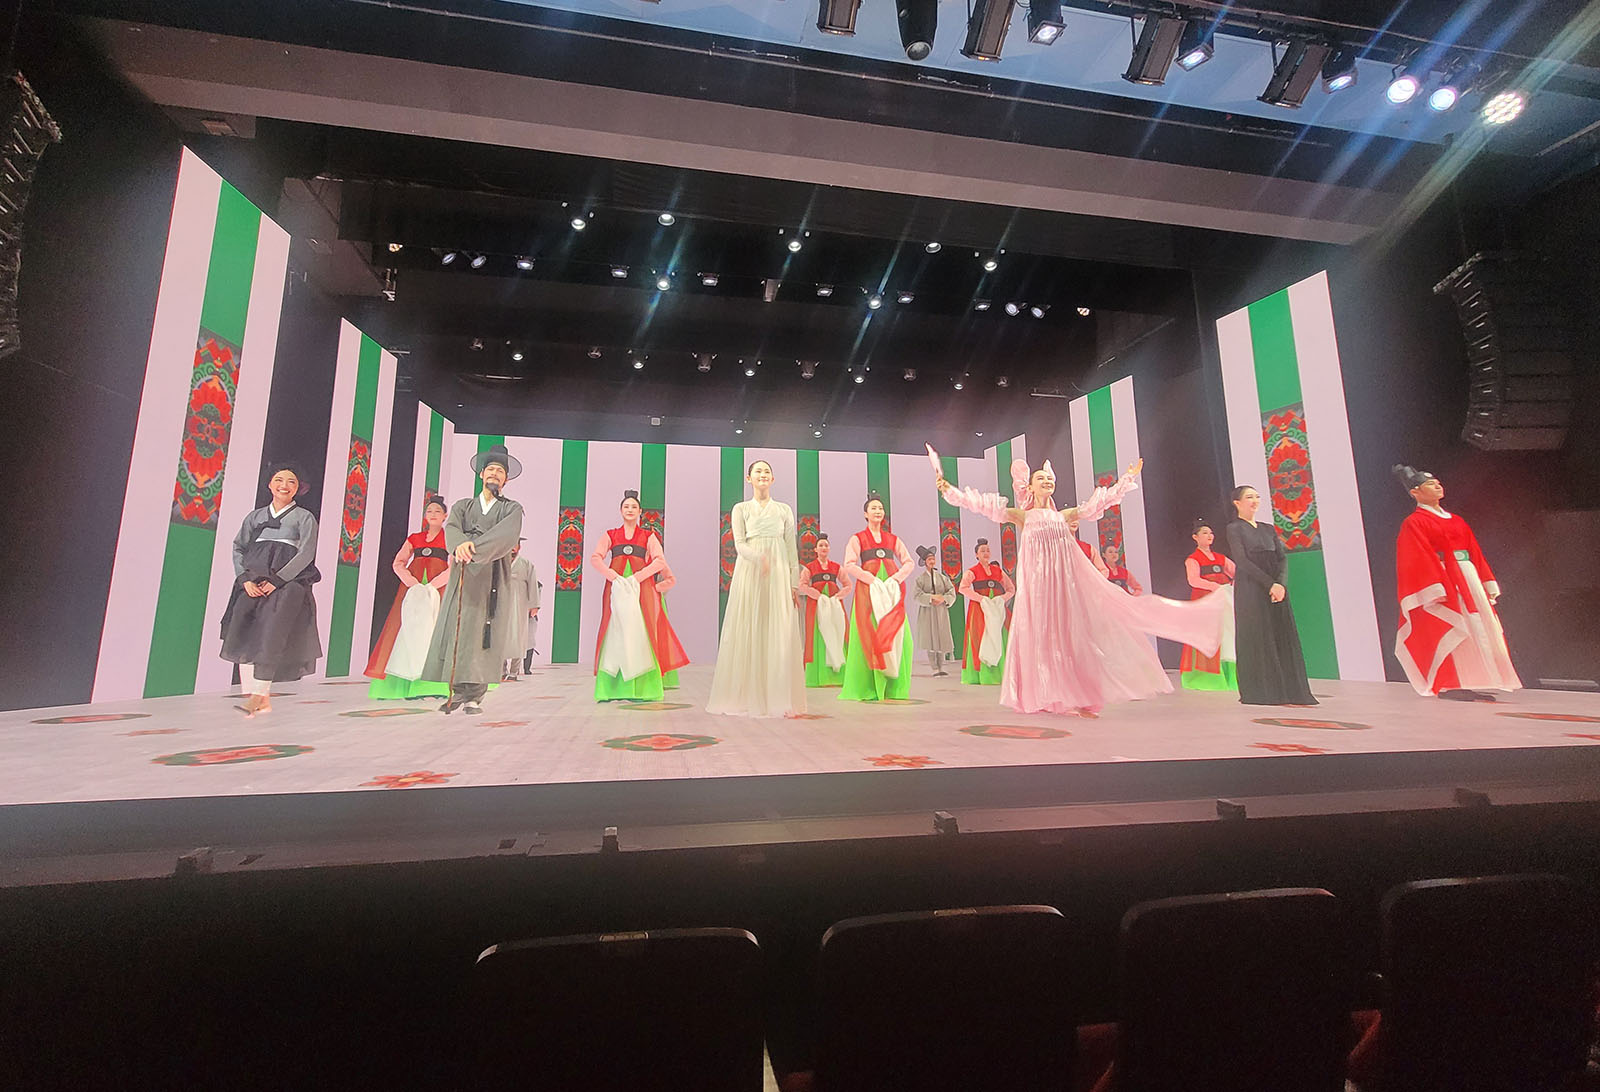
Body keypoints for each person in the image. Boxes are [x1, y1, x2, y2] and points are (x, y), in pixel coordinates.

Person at [936, 454, 1227, 716]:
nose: (1047, 481)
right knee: (1039, 634)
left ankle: (1073, 692)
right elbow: (980, 505)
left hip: (1063, 585)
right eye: (1041, 478)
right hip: (1037, 587)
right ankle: (1043, 693)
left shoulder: (1064, 516)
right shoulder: (1022, 516)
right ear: (1030, 487)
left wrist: (1126, 480)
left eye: (1049, 478)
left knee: (1068, 634)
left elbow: (1097, 504)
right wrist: (950, 490)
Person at [1392, 465, 1521, 700]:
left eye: (1438, 483)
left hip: (1468, 576)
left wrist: (1485, 580)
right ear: (1415, 492)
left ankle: (1473, 678)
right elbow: (1416, 556)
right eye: (1430, 484)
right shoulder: (1415, 522)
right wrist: (1437, 585)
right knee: (1455, 624)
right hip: (1444, 578)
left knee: (1477, 626)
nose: (1437, 486)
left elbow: (1475, 552)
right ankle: (1451, 682)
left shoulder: (1457, 521)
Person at [422, 444, 525, 714]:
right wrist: (459, 545)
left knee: (484, 632)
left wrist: (471, 548)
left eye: (500, 471)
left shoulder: (511, 509)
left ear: (506, 479)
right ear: (481, 474)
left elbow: (506, 537)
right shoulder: (463, 506)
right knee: (459, 628)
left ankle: (475, 696)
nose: (494, 474)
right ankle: (456, 691)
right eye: (490, 469)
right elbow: (452, 529)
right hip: (464, 573)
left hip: (492, 574)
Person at [219, 462, 322, 717]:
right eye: (279, 480)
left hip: (287, 585)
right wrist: (244, 579)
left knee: (271, 634)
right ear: (269, 484)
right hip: (253, 582)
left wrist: (278, 580)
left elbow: (306, 553)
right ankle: (254, 697)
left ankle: (259, 697)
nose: (284, 485)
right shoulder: (255, 517)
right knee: (244, 631)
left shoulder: (304, 518)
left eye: (291, 481)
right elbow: (238, 547)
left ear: (298, 488)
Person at [707, 460, 806, 716]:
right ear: (748, 478)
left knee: (778, 628)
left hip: (778, 571)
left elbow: (790, 548)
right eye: (757, 471)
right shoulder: (741, 509)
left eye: (767, 471)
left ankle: (777, 697)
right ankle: (747, 696)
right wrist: (758, 557)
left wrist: (793, 583)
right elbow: (739, 544)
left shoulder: (784, 510)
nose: (762, 474)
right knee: (749, 624)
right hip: (750, 570)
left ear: (773, 479)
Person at [590, 490, 689, 701]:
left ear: (640, 511)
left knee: (643, 630)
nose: (630, 510)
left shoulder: (648, 536)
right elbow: (596, 558)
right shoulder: (610, 535)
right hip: (616, 587)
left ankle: (645, 688)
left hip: (642, 589)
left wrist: (639, 577)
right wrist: (613, 576)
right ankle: (612, 688)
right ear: (620, 510)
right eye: (626, 506)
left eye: (634, 507)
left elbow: (660, 561)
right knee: (615, 629)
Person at [1224, 486, 1317, 706]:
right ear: (1237, 503)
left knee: (1281, 633)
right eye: (1249, 497)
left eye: (1257, 497)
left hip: (1276, 587)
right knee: (1258, 634)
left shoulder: (1268, 528)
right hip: (1252, 587)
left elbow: (1282, 558)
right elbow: (1242, 561)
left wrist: (1280, 584)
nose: (1254, 500)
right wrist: (1269, 584)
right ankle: (1262, 691)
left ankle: (1290, 690)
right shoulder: (1234, 528)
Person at [364, 494, 452, 700]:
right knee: (403, 630)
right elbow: (398, 562)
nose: (433, 514)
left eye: (437, 511)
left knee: (434, 630)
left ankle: (432, 686)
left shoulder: (450, 539)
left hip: (437, 590)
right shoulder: (414, 538)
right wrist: (411, 582)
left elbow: (456, 565)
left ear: (445, 516)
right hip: (412, 590)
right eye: (429, 511)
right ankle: (399, 685)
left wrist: (434, 585)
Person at [839, 493, 915, 702]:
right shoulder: (858, 538)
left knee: (901, 636)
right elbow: (849, 564)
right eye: (873, 508)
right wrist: (870, 579)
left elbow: (909, 562)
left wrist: (896, 578)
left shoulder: (893, 539)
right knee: (869, 633)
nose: (878, 511)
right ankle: (869, 687)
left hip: (891, 591)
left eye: (880, 508)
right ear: (865, 513)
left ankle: (895, 688)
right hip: (868, 591)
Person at [1179, 519, 1238, 692]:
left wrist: (1231, 586)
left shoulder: (1221, 558)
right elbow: (1193, 580)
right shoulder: (1193, 559)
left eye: (1211, 533)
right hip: (1205, 600)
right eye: (1204, 533)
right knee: (1207, 635)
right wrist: (1215, 587)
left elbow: (1236, 572)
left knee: (1226, 635)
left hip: (1223, 600)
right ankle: (1205, 677)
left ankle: (1230, 675)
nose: (1209, 536)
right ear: (1195, 537)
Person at [959, 538, 1014, 686]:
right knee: (980, 636)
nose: (986, 553)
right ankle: (982, 675)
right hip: (979, 609)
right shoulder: (972, 571)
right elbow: (963, 588)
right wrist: (981, 599)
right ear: (976, 554)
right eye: (982, 551)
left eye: (988, 550)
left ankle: (1000, 674)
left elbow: (1011, 589)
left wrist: (1002, 598)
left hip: (996, 608)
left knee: (999, 635)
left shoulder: (998, 571)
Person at [798, 532, 850, 688]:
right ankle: (818, 676)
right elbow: (802, 585)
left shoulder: (836, 567)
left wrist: (838, 596)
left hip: (834, 606)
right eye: (820, 545)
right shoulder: (809, 568)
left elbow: (848, 584)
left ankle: (840, 676)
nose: (823, 548)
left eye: (826, 545)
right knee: (818, 636)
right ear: (815, 549)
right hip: (816, 607)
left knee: (838, 632)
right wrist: (818, 596)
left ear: (829, 548)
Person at [913, 545, 957, 676]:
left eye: (933, 559)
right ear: (925, 562)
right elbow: (917, 595)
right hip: (928, 612)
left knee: (941, 636)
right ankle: (934, 667)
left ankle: (942, 666)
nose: (932, 561)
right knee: (930, 638)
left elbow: (951, 591)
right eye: (929, 559)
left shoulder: (942, 578)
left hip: (941, 610)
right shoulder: (920, 579)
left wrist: (943, 599)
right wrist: (931, 598)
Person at [502, 542, 540, 681]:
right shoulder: (498, 562)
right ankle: (502, 670)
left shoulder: (526, 564)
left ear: (519, 547)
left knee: (519, 636)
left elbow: (533, 584)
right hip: (502, 603)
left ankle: (514, 671)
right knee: (501, 636)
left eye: (515, 545)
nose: (512, 548)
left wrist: (534, 605)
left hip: (520, 604)